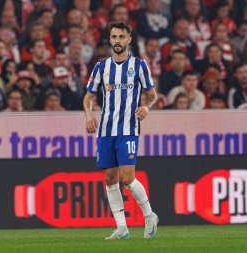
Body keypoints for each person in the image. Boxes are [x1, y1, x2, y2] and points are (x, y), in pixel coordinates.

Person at [83, 22, 159, 240]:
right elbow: (89, 96)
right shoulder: (101, 67)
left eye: (121, 37)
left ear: (129, 39)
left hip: (128, 129)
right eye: (113, 37)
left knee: (127, 177)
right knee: (109, 177)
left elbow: (152, 94)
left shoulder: (139, 65)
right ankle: (122, 227)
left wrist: (145, 107)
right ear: (110, 39)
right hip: (106, 130)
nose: (117, 41)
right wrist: (89, 115)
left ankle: (149, 215)